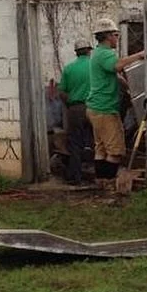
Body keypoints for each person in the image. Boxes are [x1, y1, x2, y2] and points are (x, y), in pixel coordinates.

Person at [86, 16, 145, 184]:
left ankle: (100, 182)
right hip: (104, 109)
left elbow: (114, 74)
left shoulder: (98, 53)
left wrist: (127, 86)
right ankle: (109, 182)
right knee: (116, 150)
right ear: (107, 36)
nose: (118, 38)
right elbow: (117, 66)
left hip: (95, 108)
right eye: (116, 35)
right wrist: (139, 55)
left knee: (101, 148)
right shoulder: (105, 54)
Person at [57, 38, 92, 186]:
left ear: (76, 53)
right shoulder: (94, 66)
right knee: (96, 142)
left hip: (75, 109)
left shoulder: (69, 68)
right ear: (89, 51)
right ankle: (97, 175)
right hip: (94, 108)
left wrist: (70, 106)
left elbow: (62, 92)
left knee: (75, 143)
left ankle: (76, 177)